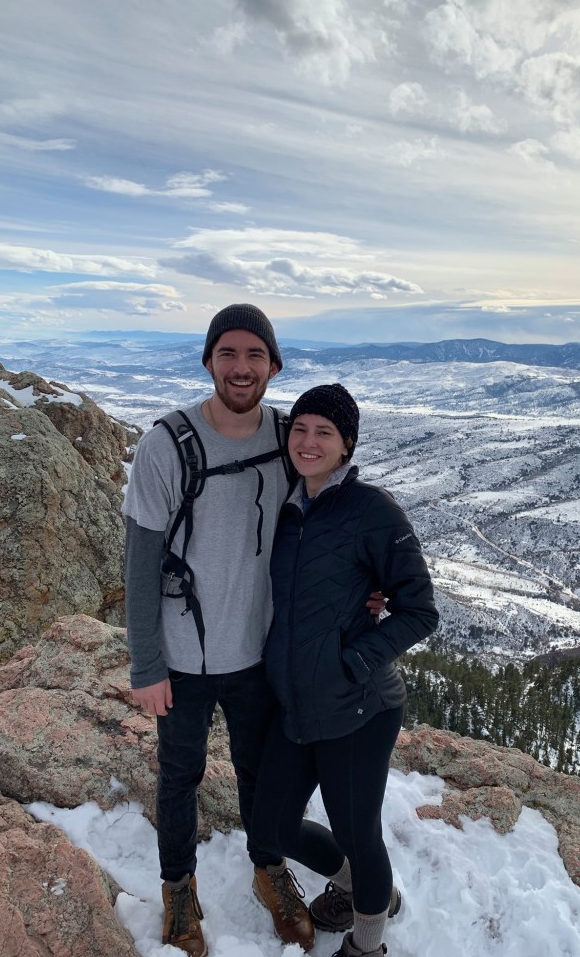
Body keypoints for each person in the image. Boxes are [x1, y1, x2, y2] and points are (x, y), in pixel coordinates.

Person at [123, 304, 320, 956]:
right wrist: (147, 665)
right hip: (182, 655)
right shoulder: (166, 444)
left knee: (260, 773)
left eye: (255, 355)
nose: (241, 367)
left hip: (257, 653)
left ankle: (269, 870)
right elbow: (140, 560)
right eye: (228, 353)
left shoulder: (292, 440)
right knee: (179, 777)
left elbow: (336, 521)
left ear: (274, 365)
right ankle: (179, 890)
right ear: (208, 360)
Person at [251, 383, 439, 957]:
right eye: (300, 429)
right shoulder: (285, 504)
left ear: (346, 444)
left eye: (323, 432)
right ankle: (363, 891)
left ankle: (368, 942)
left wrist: (353, 660)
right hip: (298, 703)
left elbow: (420, 610)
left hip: (359, 706)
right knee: (273, 830)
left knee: (360, 833)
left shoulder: (372, 512)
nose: (308, 442)